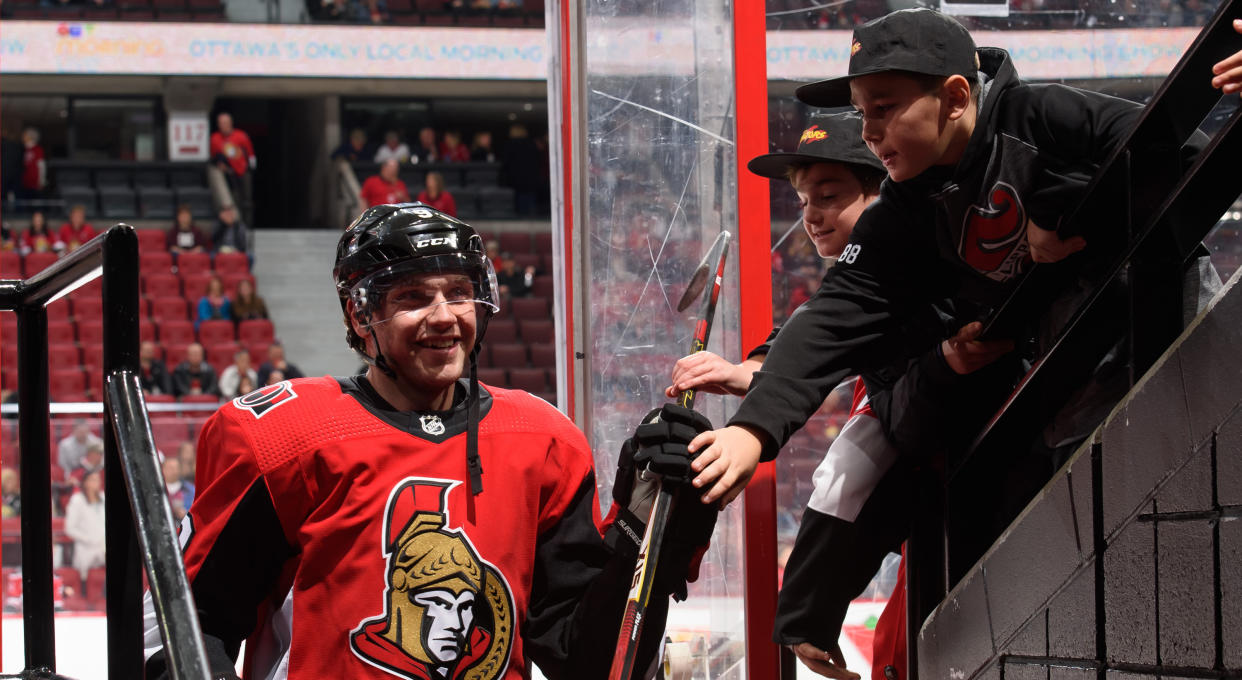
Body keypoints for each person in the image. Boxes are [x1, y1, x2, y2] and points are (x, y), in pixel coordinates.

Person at [143, 203, 718, 680]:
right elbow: (193, 625)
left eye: (458, 293)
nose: (444, 317)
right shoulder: (286, 439)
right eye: (413, 297)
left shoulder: (543, 441)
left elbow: (585, 662)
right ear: (359, 313)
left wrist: (641, 535)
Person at [667, 112, 1010, 679]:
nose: (810, 216)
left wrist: (805, 614)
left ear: (886, 194)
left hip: (974, 509)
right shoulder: (884, 273)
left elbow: (845, 464)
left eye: (828, 195)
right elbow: (811, 341)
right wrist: (748, 370)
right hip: (948, 516)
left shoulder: (912, 265)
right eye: (803, 201)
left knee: (907, 655)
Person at [210, 112, 256, 225]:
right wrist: (220, 164)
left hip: (243, 171)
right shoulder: (215, 138)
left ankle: (249, 223)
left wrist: (251, 169)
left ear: (231, 123)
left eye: (225, 122)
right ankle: (238, 223)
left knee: (247, 199)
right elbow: (213, 157)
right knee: (235, 199)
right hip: (229, 173)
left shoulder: (241, 136)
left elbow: (250, 154)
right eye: (221, 123)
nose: (223, 125)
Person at [63, 468, 106, 581]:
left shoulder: (103, 497)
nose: (96, 483)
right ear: (85, 482)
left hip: (104, 548)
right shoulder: (77, 500)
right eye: (92, 480)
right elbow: (70, 528)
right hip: (86, 549)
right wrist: (90, 539)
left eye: (98, 480)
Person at [162, 456, 194, 522]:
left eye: (176, 468)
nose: (174, 471)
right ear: (162, 469)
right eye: (170, 468)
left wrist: (186, 514)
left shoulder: (190, 490)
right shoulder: (158, 490)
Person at [19, 127, 46, 204]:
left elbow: (41, 166)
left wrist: (41, 181)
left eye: (25, 135)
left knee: (35, 203)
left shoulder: (38, 149)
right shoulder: (24, 150)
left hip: (35, 183)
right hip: (25, 182)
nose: (23, 137)